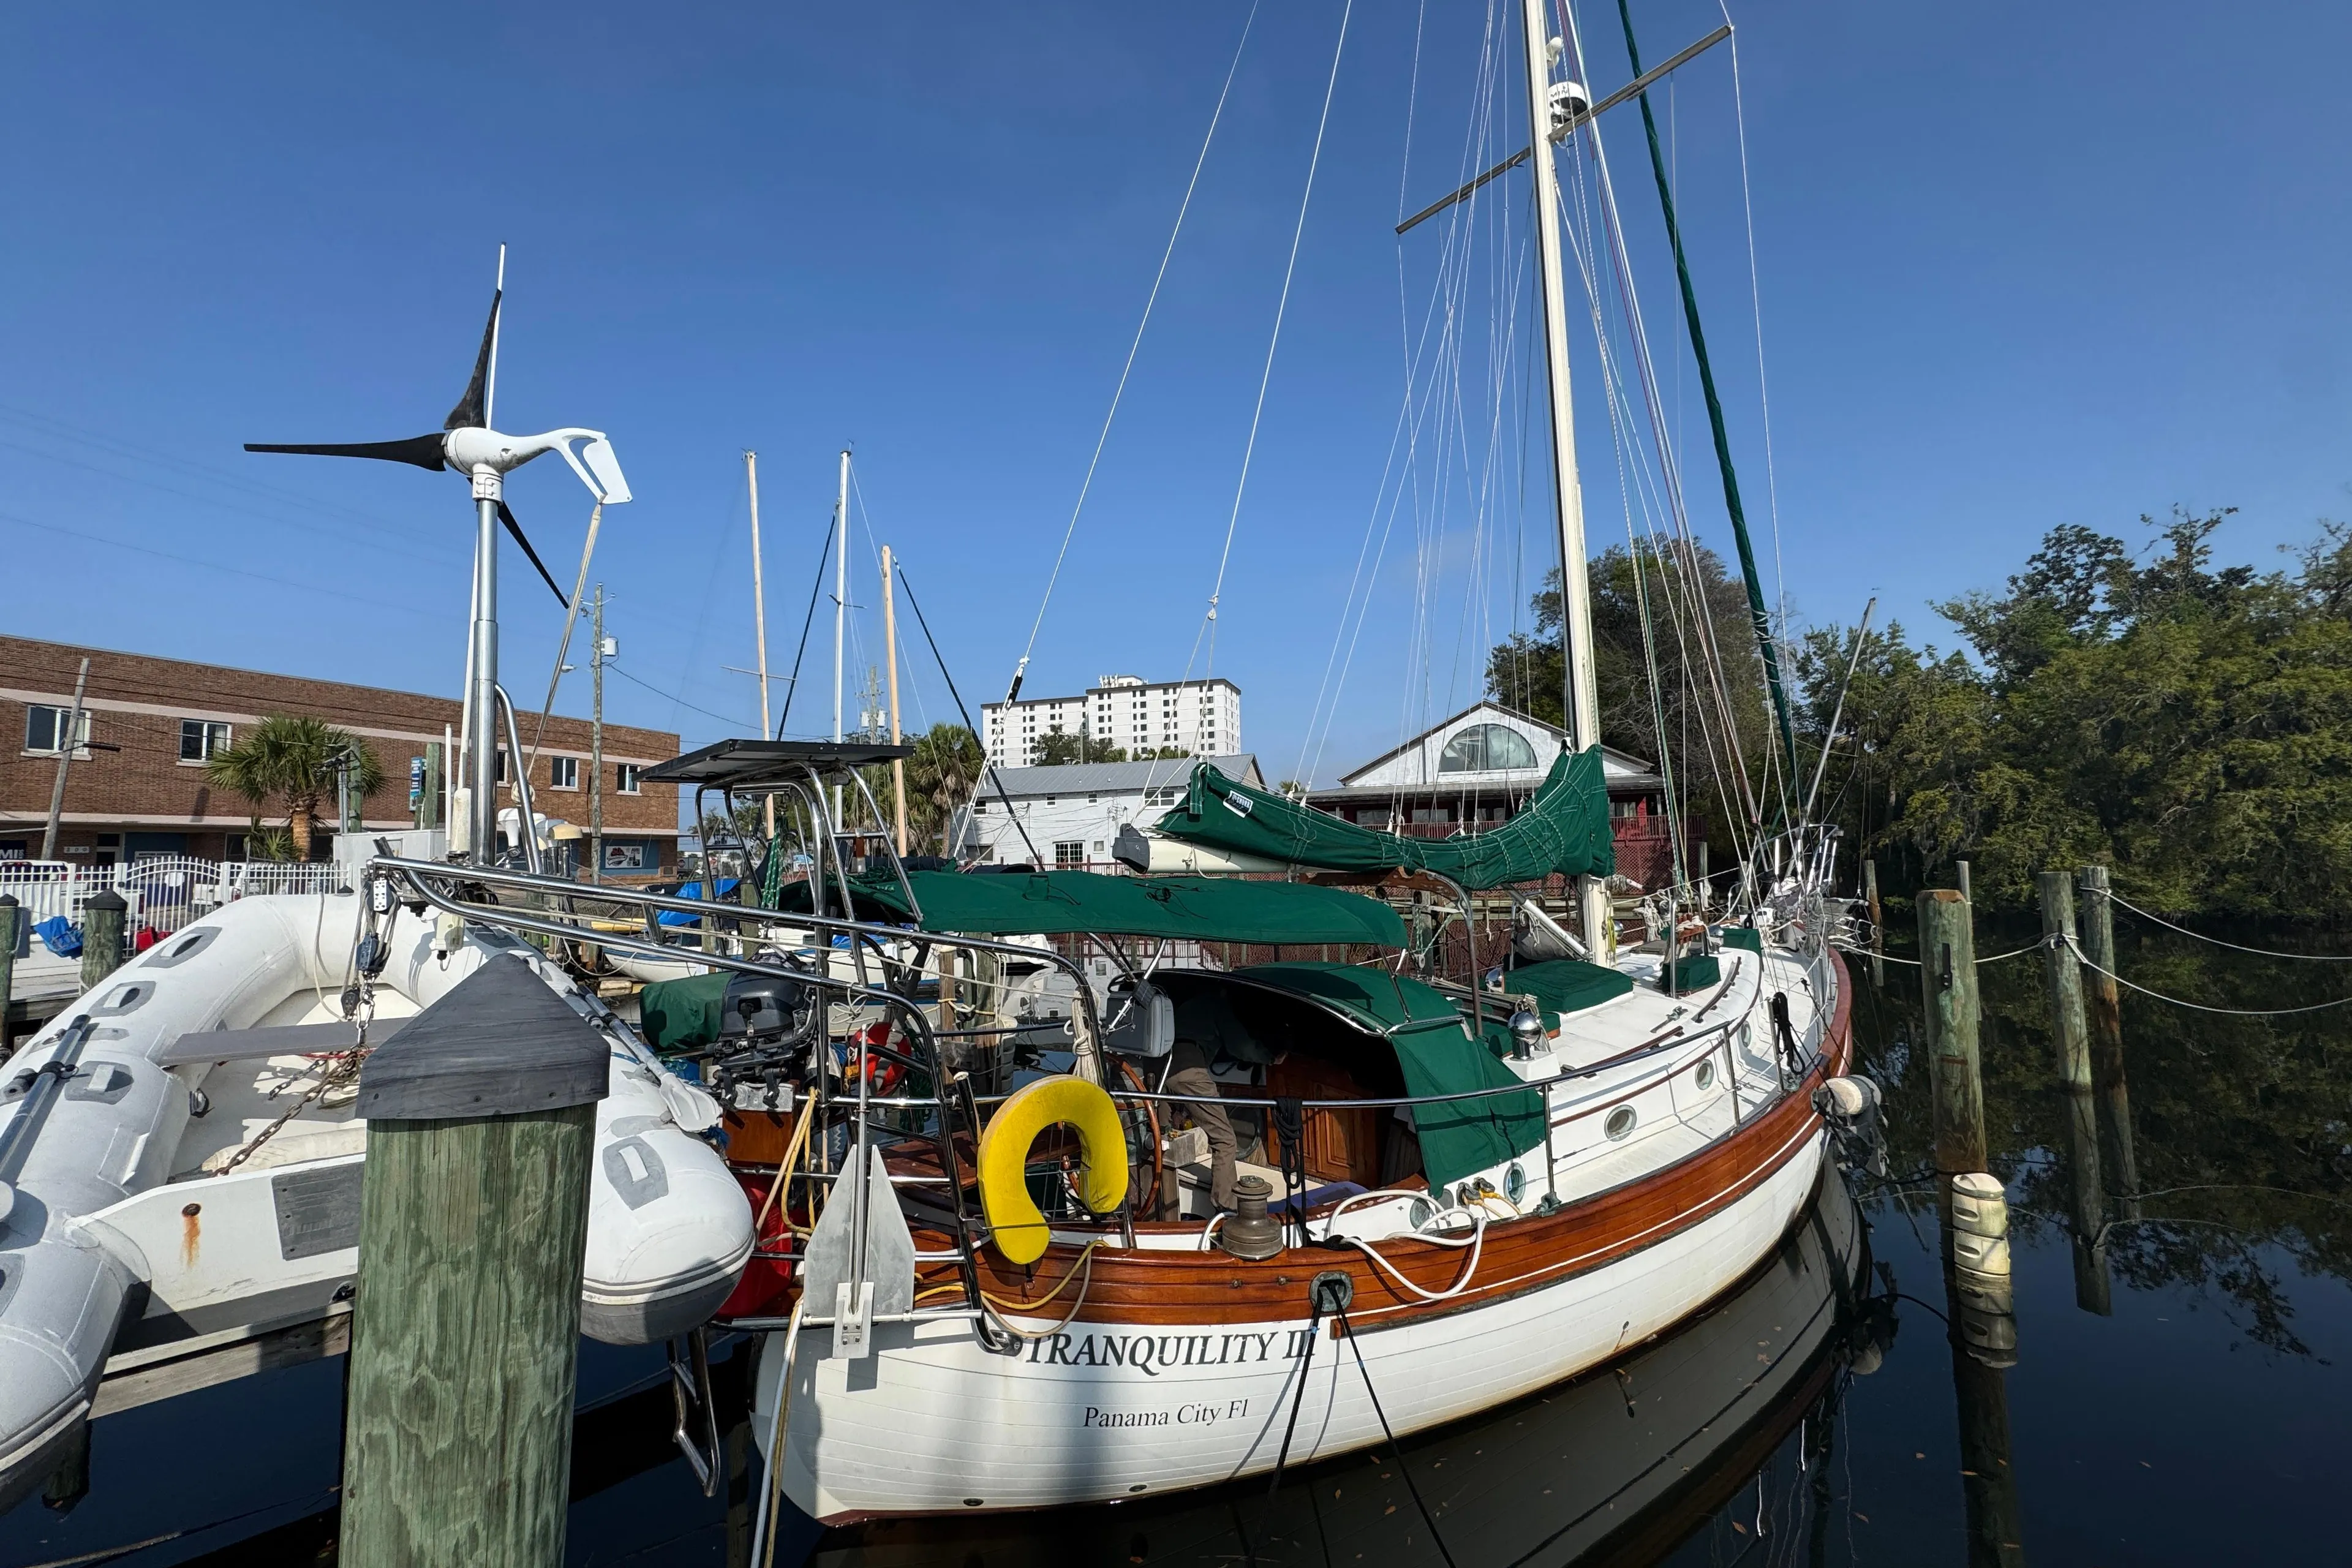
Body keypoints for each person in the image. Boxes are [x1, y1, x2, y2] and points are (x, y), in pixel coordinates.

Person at [1163, 1030, 1238, 1213]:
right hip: (1186, 1066)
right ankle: (1226, 1210)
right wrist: (1270, 1057)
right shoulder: (1218, 1004)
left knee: (1163, 1136)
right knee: (1225, 1140)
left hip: (1156, 1063)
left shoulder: (1181, 1008)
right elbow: (1242, 1046)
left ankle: (1161, 1199)